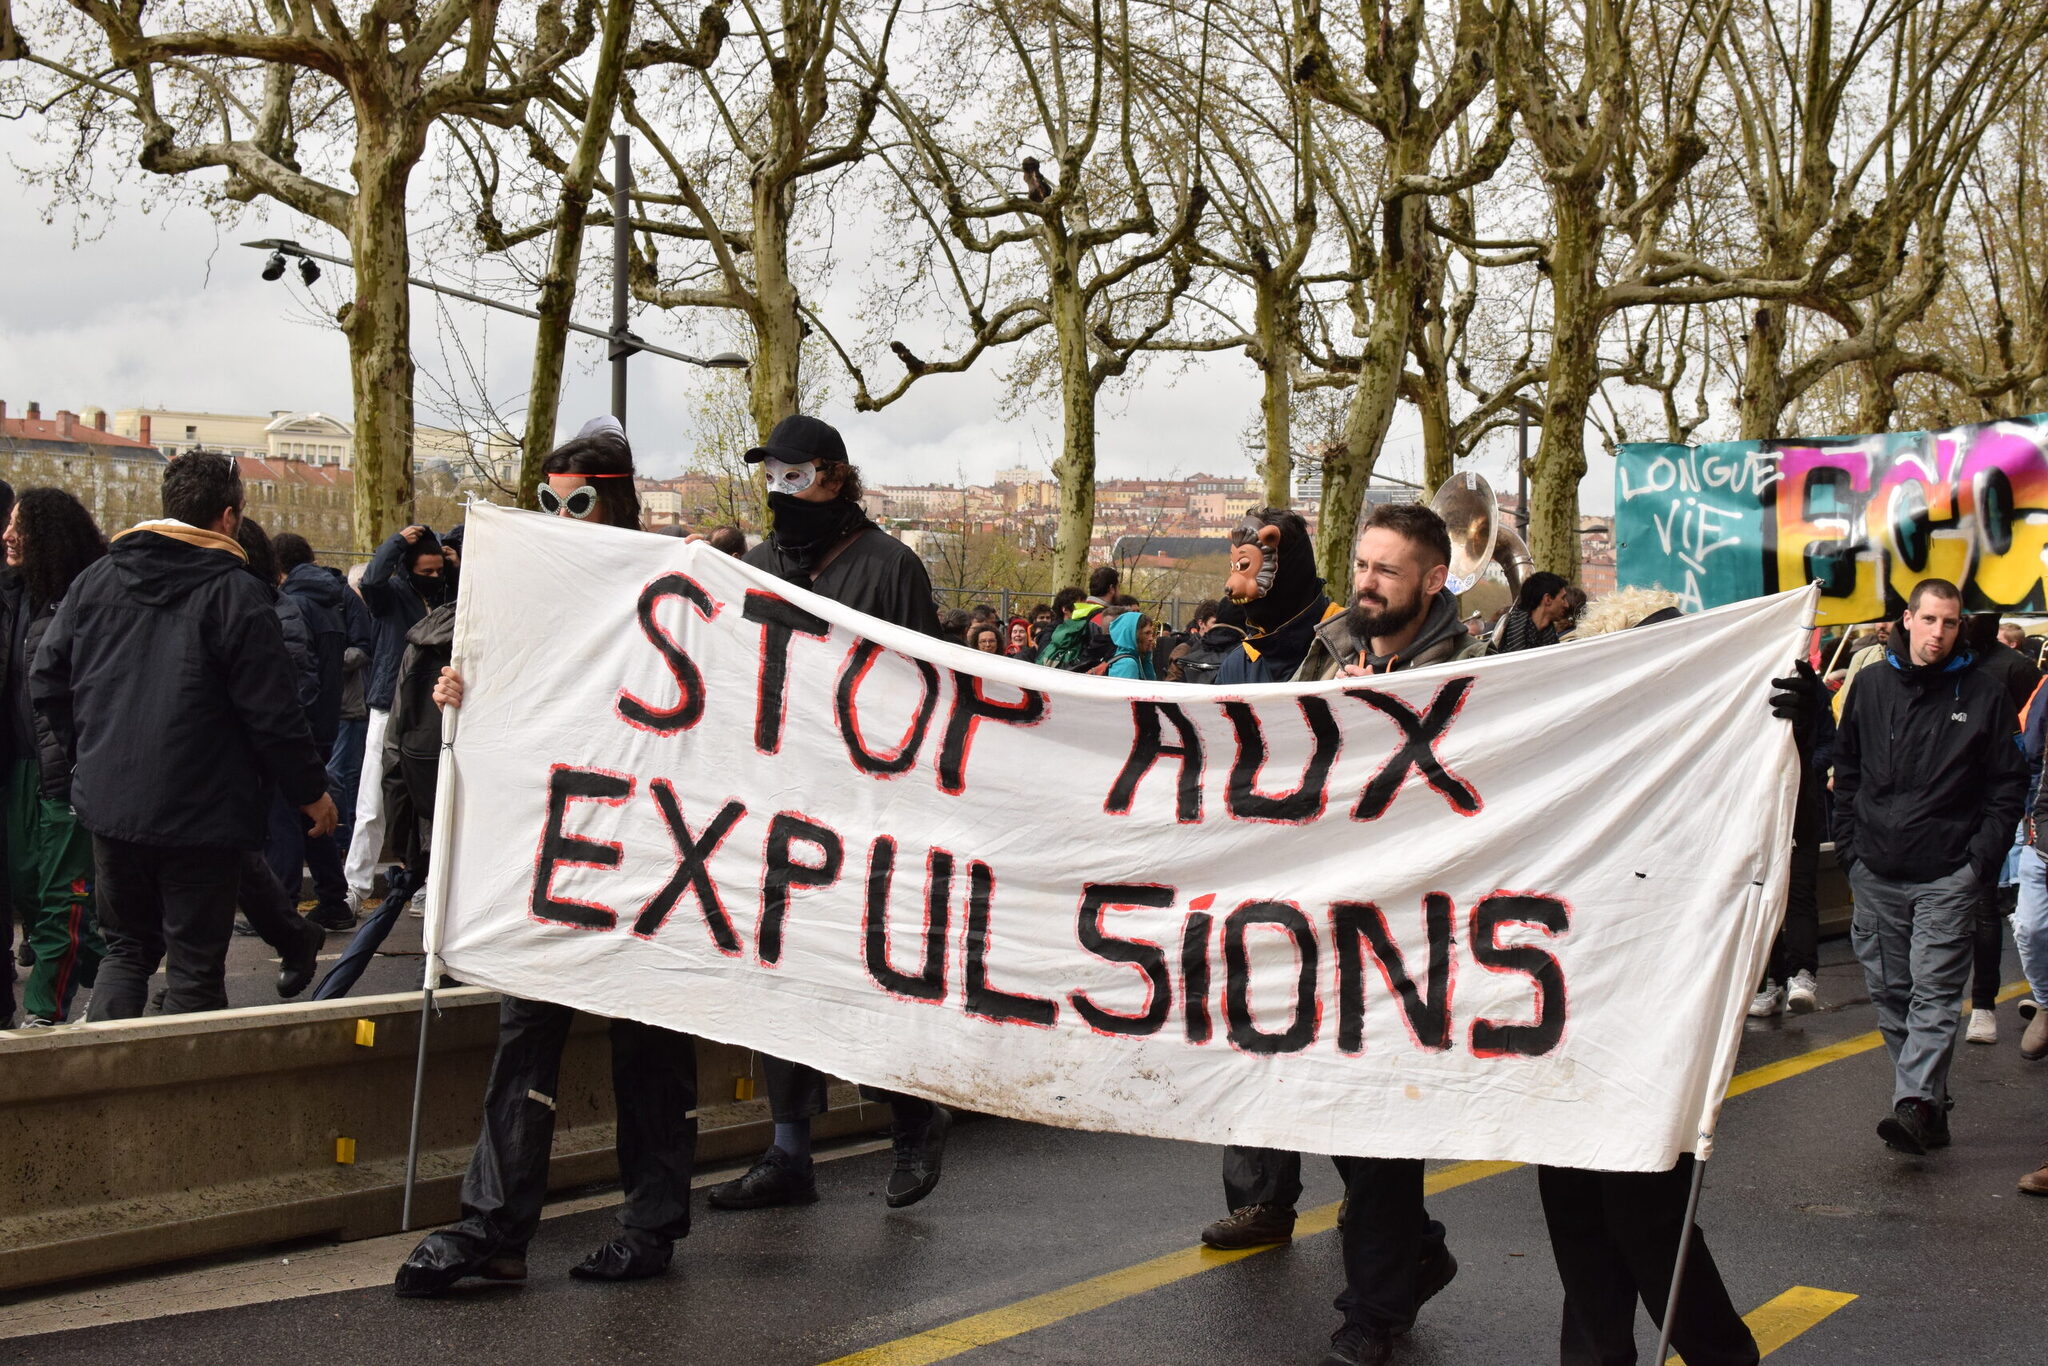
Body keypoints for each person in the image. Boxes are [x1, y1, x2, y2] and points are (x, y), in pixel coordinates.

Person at [396, 420, 700, 1295]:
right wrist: (464, 692)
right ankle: (495, 1226)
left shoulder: (670, 585)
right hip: (558, 852)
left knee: (649, 1039)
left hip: (647, 849)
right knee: (526, 1030)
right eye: (550, 500)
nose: (563, 515)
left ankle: (649, 1222)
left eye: (580, 500)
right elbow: (516, 685)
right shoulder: (525, 585)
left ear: (618, 498)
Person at [712, 412, 952, 1213]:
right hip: (783, 804)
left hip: (868, 806)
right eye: (771, 478)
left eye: (796, 477)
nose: (782, 494)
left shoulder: (892, 568)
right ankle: (789, 1151)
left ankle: (913, 1121)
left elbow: (925, 692)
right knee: (782, 973)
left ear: (836, 477)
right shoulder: (757, 565)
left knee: (870, 971)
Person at [31, 451, 335, 1020]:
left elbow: (48, 678)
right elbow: (275, 713)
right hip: (202, 812)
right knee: (194, 968)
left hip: (114, 801)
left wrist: (88, 757)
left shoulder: (97, 580)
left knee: (128, 951)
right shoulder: (239, 595)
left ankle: (104, 1101)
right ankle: (192, 1102)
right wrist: (310, 791)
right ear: (228, 518)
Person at [1833, 578, 2027, 1155]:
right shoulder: (1868, 685)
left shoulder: (1984, 693)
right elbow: (1846, 770)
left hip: (1948, 873)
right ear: (1908, 619)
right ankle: (1928, 1105)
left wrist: (1979, 861)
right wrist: (1849, 846)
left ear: (1959, 625)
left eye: (1950, 622)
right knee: (1891, 992)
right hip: (1875, 869)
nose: (1939, 632)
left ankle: (1913, 1101)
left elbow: (2006, 784)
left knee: (1936, 992)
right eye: (1930, 620)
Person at [0, 489, 107, 1026]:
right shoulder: (11, 595)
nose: (8, 535)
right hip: (18, 767)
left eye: (20, 526)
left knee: (58, 900)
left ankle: (45, 1011)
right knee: (28, 889)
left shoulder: (85, 598)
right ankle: (98, 949)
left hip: (67, 771)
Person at [346, 521, 450, 910]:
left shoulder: (445, 594)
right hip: (391, 704)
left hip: (430, 708)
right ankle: (355, 887)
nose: (435, 577)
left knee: (427, 802)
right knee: (372, 800)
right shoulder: (388, 596)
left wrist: (450, 569)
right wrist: (395, 542)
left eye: (439, 570)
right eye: (426, 571)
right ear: (407, 568)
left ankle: (423, 882)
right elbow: (372, 580)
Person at [270, 532, 354, 933]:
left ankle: (283, 904)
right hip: (324, 723)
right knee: (314, 810)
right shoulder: (332, 601)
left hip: (302, 724)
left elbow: (298, 673)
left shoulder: (294, 605)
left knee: (285, 814)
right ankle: (333, 899)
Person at [1491, 571, 1572, 654]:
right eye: (1563, 598)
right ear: (1547, 599)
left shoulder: (1550, 636)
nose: (1567, 605)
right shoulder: (1504, 635)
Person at [1103, 610, 1156, 680]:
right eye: (1147, 633)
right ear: (1132, 634)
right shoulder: (1127, 663)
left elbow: (1151, 684)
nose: (1151, 638)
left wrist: (1147, 658)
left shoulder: (1134, 658)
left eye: (1151, 633)